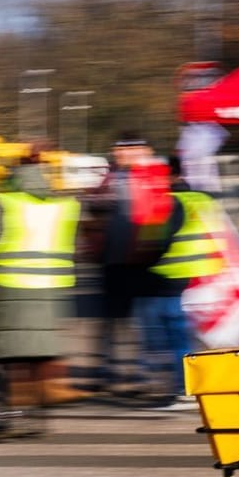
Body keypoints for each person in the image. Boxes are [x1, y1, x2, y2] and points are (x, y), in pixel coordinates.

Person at [0, 150, 83, 441]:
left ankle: (4, 420)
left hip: (12, 291)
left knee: (7, 361)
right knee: (39, 359)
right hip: (50, 294)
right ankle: (38, 420)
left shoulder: (8, 202)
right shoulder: (65, 207)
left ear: (14, 177)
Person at [81, 133, 173, 394]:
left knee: (144, 321)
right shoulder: (111, 176)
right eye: (117, 150)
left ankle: (144, 375)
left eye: (127, 150)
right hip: (113, 261)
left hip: (145, 261)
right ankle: (106, 371)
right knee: (110, 320)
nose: (120, 155)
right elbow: (92, 204)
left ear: (144, 150)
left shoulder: (156, 175)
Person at [135, 156, 225, 411]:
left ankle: (184, 391)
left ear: (170, 175)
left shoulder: (168, 202)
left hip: (174, 279)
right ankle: (201, 389)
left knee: (176, 338)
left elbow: (158, 242)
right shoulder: (202, 199)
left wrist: (142, 260)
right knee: (195, 339)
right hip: (206, 277)